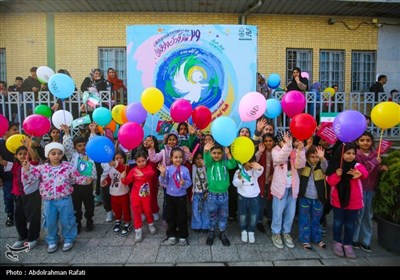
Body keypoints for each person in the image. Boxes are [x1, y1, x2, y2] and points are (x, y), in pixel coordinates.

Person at [21, 142, 92, 253]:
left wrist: (85, 180)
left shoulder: (67, 166)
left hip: (65, 199)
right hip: (49, 201)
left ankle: (69, 238)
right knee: (50, 222)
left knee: (67, 220)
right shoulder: (41, 168)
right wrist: (26, 169)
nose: (56, 156)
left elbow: (75, 178)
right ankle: (52, 240)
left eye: (59, 153)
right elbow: (31, 178)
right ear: (47, 155)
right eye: (53, 153)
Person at [326, 142, 368, 259]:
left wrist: (359, 174)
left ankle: (348, 244)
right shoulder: (336, 166)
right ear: (341, 153)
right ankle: (337, 242)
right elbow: (330, 181)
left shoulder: (356, 165)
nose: (350, 156)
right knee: (338, 222)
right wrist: (337, 175)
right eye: (347, 153)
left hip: (354, 201)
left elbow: (365, 173)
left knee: (350, 224)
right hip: (338, 200)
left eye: (353, 153)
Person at [0, 141, 41, 250]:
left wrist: (29, 147)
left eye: (25, 153)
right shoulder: (14, 166)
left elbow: (35, 157)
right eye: (20, 154)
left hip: (32, 196)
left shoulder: (33, 164)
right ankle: (23, 236)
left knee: (33, 217)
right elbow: (2, 162)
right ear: (16, 156)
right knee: (18, 217)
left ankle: (33, 238)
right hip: (18, 195)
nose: (23, 156)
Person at [270, 131, 306, 249]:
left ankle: (286, 232)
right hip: (280, 188)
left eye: (288, 140)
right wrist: (288, 146)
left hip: (293, 188)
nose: (286, 143)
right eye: (284, 141)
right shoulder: (275, 151)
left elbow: (300, 165)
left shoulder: (294, 151)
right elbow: (279, 159)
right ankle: (276, 233)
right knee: (278, 212)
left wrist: (300, 150)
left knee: (290, 213)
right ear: (279, 142)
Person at [353, 131, 387, 253]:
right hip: (358, 190)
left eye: (368, 140)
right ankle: (354, 238)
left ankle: (366, 240)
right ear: (357, 142)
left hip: (370, 190)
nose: (365, 142)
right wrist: (374, 163)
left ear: (372, 142)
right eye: (362, 140)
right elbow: (362, 170)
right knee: (358, 215)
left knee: (368, 216)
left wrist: (381, 167)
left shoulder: (375, 155)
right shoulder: (355, 155)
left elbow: (375, 168)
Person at [203, 141, 237, 246]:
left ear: (222, 154)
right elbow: (207, 159)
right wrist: (205, 151)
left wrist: (228, 154)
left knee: (223, 214)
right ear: (211, 154)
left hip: (224, 194)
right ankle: (211, 232)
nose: (216, 155)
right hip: (212, 195)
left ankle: (222, 232)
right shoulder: (209, 164)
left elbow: (233, 165)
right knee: (212, 214)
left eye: (219, 153)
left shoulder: (224, 163)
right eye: (214, 153)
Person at [158, 147, 192, 245]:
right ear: (171, 158)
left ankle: (183, 235)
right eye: (176, 157)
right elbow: (162, 182)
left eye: (180, 157)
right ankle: (171, 234)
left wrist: (184, 183)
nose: (178, 159)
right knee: (171, 216)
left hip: (181, 197)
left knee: (182, 216)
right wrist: (163, 174)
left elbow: (189, 182)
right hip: (170, 197)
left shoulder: (185, 169)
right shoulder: (168, 169)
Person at [121, 150, 157, 242]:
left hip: (146, 196)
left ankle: (151, 224)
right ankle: (138, 229)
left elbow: (151, 174)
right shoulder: (133, 170)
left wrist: (143, 174)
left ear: (146, 159)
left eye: (143, 161)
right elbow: (127, 181)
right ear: (135, 161)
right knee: (136, 212)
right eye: (139, 161)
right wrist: (123, 177)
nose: (141, 163)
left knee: (148, 210)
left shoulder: (149, 168)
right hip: (135, 196)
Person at [298, 146, 328, 251]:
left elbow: (327, 168)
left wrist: (322, 158)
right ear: (307, 158)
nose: (315, 159)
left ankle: (317, 238)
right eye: (312, 157)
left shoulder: (321, 166)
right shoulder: (303, 166)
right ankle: (304, 239)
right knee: (304, 219)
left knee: (316, 220)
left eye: (316, 157)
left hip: (318, 199)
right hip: (305, 197)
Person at [232, 156, 263, 243]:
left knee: (254, 215)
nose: (250, 164)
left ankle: (251, 231)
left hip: (254, 198)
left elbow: (260, 171)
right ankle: (243, 230)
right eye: (248, 162)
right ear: (243, 163)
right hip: (242, 197)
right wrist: (239, 179)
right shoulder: (239, 171)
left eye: (252, 161)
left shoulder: (254, 171)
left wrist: (259, 167)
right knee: (242, 215)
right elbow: (235, 184)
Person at [0, 121, 20, 227]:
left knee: (19, 197)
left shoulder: (19, 142)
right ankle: (10, 215)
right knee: (8, 197)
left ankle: (21, 215)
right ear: (6, 131)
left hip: (19, 175)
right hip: (7, 176)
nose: (17, 131)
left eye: (17, 129)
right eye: (14, 129)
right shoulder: (1, 144)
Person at [191, 151, 209, 233]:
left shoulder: (207, 167)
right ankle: (196, 225)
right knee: (195, 210)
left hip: (206, 192)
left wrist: (205, 164)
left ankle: (206, 225)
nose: (199, 160)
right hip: (196, 193)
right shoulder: (193, 167)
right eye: (197, 158)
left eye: (201, 158)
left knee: (206, 209)